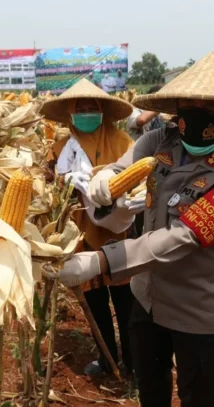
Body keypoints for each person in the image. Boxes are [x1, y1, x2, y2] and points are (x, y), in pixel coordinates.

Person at [58, 52, 214, 406]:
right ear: (177, 107)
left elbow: (183, 238)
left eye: (210, 109)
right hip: (146, 296)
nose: (196, 114)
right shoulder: (157, 142)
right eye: (189, 105)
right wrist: (107, 178)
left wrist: (102, 261)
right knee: (152, 390)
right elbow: (124, 166)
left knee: (196, 396)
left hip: (196, 307)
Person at [42, 78, 144, 377]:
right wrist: (63, 182)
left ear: (103, 112)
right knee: (94, 300)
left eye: (92, 108)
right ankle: (107, 356)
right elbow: (47, 183)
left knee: (127, 301)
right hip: (80, 233)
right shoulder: (60, 147)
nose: (87, 113)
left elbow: (137, 177)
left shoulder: (124, 142)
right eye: (81, 108)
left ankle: (134, 362)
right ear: (71, 114)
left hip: (120, 230)